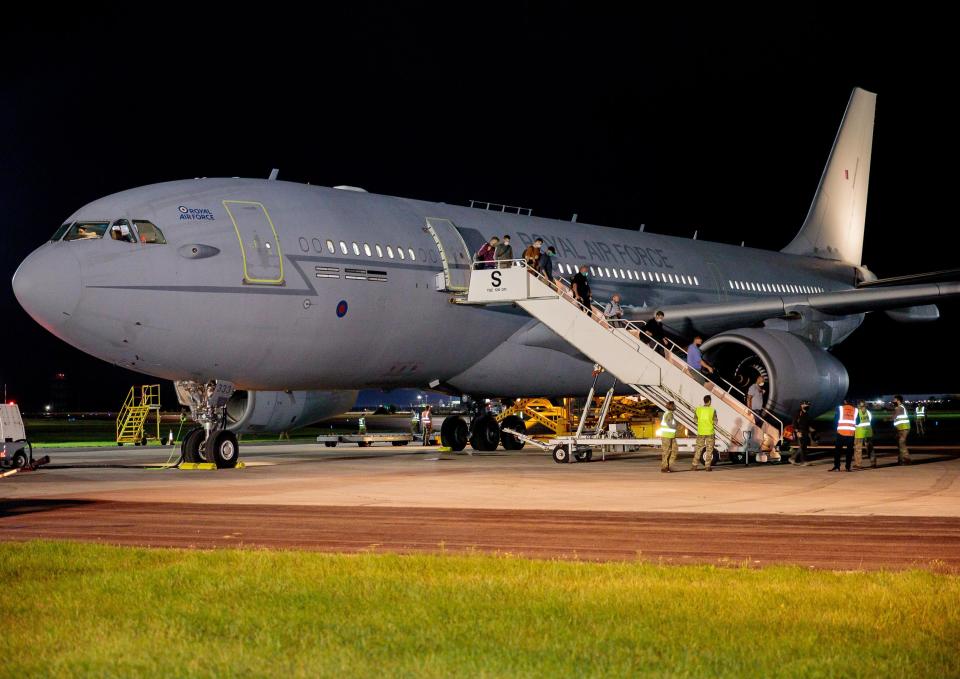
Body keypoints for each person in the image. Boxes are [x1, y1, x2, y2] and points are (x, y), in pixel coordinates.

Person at [693, 395, 718, 471]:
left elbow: (695, 420)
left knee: (698, 449)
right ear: (709, 401)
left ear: (704, 401)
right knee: (709, 449)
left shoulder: (698, 409)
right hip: (710, 432)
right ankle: (707, 466)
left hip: (701, 432)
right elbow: (715, 422)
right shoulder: (712, 410)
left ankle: (694, 465)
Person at [831, 398, 856, 472]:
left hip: (841, 433)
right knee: (849, 452)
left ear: (845, 402)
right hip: (851, 433)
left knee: (838, 451)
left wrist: (836, 429)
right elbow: (857, 421)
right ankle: (848, 467)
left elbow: (835, 420)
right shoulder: (855, 410)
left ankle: (837, 467)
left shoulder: (840, 409)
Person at [853, 400, 876, 469]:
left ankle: (858, 464)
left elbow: (855, 422)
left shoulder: (857, 412)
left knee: (858, 449)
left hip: (859, 433)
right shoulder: (868, 412)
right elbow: (871, 421)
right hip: (868, 432)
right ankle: (873, 463)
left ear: (859, 405)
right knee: (870, 448)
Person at [657, 401, 678, 473]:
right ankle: (664, 467)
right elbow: (669, 424)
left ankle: (668, 466)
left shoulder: (670, 414)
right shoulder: (669, 414)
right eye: (674, 405)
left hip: (670, 435)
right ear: (671, 406)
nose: (675, 406)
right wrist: (675, 426)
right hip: (667, 436)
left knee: (674, 450)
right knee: (666, 451)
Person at [790, 400, 813, 465]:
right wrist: (797, 431)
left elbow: (807, 423)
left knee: (803, 446)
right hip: (800, 431)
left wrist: (811, 429)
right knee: (802, 446)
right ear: (802, 405)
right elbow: (794, 423)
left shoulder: (807, 414)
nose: (807, 406)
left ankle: (792, 458)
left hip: (805, 431)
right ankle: (803, 461)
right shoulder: (798, 412)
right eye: (806, 405)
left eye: (808, 405)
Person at [892, 395, 911, 465]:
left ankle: (907, 459)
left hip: (904, 428)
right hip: (900, 428)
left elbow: (894, 417)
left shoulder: (899, 408)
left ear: (898, 401)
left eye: (894, 400)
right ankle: (901, 460)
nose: (893, 401)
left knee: (901, 442)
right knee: (899, 444)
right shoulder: (899, 407)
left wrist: (887, 419)